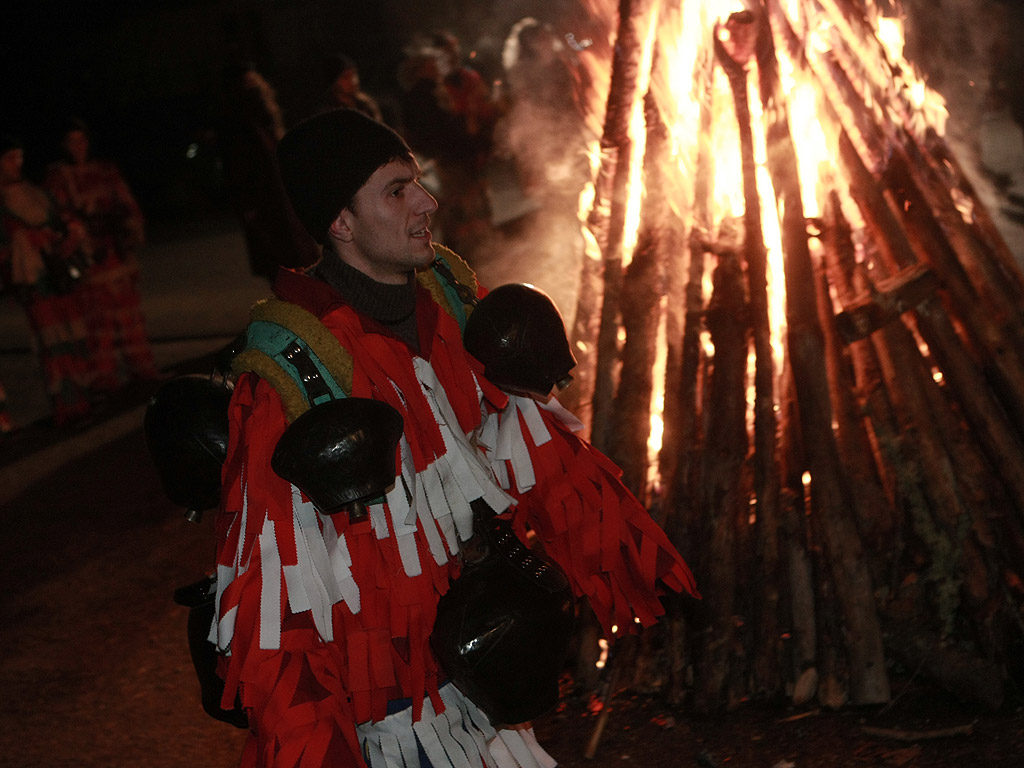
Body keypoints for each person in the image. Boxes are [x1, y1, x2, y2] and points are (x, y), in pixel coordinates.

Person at [211, 108, 698, 768]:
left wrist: (632, 566)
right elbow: (274, 607)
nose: (428, 202)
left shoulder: (452, 300)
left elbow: (535, 453)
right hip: (390, 723)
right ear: (341, 222)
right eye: (397, 190)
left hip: (490, 682)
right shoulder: (289, 374)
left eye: (418, 181)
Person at [44, 117, 161, 392]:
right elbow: (59, 214)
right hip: (90, 258)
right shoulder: (59, 177)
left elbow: (127, 202)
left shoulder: (106, 170)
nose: (78, 147)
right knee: (99, 320)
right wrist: (78, 235)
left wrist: (130, 226)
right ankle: (103, 378)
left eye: (81, 140)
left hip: (115, 250)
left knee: (129, 314)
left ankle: (141, 368)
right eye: (72, 142)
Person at [0, 133, 93, 426]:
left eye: (19, 157)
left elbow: (61, 217)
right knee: (53, 343)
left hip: (58, 275)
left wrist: (71, 234)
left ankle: (83, 397)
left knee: (72, 335)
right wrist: (28, 240)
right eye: (10, 158)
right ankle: (64, 406)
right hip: (35, 281)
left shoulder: (36, 192)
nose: (17, 163)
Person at [217, 62, 319, 282]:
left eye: (254, 82)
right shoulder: (237, 127)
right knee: (284, 266)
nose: (253, 89)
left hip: (285, 203)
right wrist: (249, 208)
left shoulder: (268, 120)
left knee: (302, 263)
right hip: (267, 207)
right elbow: (239, 172)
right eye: (247, 84)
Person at [317, 53, 384, 122]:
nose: (354, 81)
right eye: (346, 77)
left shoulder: (366, 105)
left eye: (354, 74)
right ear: (334, 83)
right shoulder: (328, 112)